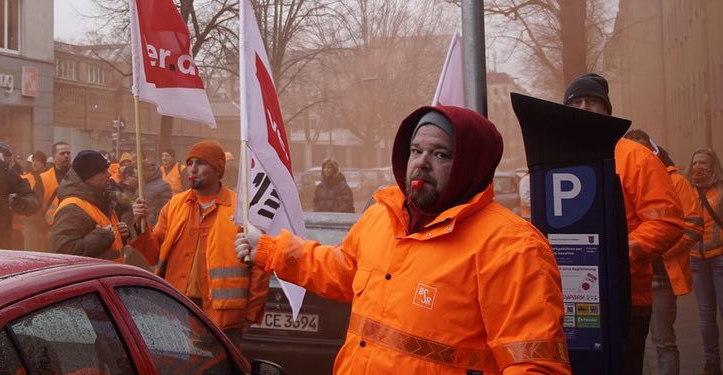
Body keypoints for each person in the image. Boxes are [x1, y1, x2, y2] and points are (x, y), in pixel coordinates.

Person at [235, 106, 570, 373]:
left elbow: (534, 365)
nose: (422, 162)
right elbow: (341, 270)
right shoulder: (382, 217)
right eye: (416, 150)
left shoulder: (513, 247)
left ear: (471, 166)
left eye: (440, 154)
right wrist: (266, 248)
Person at [563, 73, 684, 374]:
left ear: (608, 110)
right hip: (571, 302)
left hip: (626, 297)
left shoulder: (637, 158)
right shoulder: (559, 159)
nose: (583, 107)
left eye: (592, 101)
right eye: (575, 102)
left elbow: (667, 221)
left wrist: (617, 256)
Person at [131, 140, 269, 347]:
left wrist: (251, 314)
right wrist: (140, 225)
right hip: (175, 311)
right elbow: (154, 254)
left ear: (218, 170)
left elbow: (260, 268)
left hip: (222, 320)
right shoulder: (176, 204)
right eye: (190, 162)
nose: (192, 169)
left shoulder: (241, 211)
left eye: (201, 163)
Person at [622, 131, 703, 375]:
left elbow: (691, 225)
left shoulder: (676, 181)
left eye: (645, 151)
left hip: (662, 276)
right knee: (640, 343)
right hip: (634, 275)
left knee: (663, 340)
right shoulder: (623, 174)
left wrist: (661, 249)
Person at [51, 150, 130, 261]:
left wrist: (118, 236)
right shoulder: (72, 208)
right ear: (87, 178)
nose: (109, 174)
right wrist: (101, 238)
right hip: (93, 277)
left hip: (107, 275)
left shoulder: (102, 199)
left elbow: (107, 241)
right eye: (102, 172)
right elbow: (63, 251)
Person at [689, 147, 723, 375]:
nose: (698, 167)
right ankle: (711, 362)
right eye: (695, 163)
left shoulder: (721, 191)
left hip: (720, 257)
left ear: (714, 166)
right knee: (705, 314)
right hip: (697, 260)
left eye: (703, 162)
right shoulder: (687, 190)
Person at [39, 141, 72, 227]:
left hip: (72, 226)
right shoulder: (43, 178)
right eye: (62, 153)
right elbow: (37, 207)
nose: (66, 156)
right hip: (50, 227)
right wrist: (44, 230)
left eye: (68, 153)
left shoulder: (79, 176)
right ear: (54, 157)